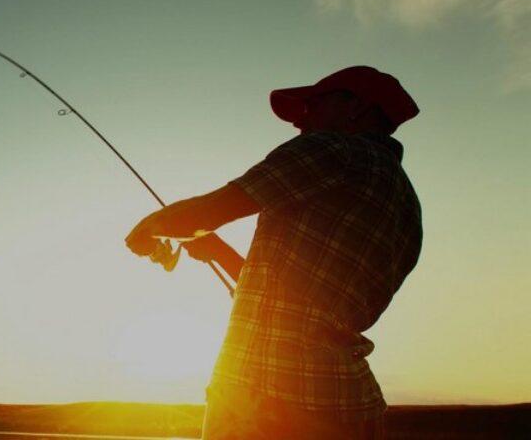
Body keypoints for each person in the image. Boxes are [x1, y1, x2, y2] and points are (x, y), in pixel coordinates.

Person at [125, 66, 422, 439]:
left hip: (268, 399)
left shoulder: (332, 149)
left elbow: (209, 211)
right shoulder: (407, 202)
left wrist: (149, 228)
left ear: (355, 109)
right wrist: (217, 250)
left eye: (313, 105)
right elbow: (296, 297)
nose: (300, 121)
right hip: (350, 403)